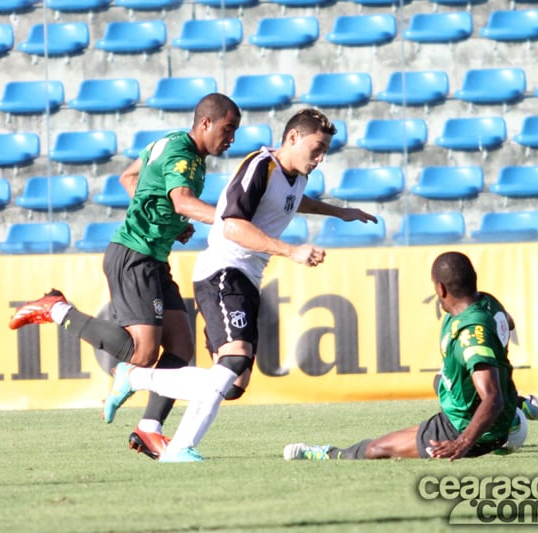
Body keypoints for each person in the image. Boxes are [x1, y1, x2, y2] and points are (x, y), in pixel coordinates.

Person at [102, 108, 378, 462]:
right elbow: (230, 225)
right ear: (293, 138)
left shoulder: (297, 177)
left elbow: (290, 202)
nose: (320, 158)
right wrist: (291, 251)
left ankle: (137, 382)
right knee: (233, 362)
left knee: (232, 384)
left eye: (324, 151)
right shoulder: (260, 166)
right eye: (316, 148)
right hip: (223, 271)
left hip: (246, 277)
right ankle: (176, 440)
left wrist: (338, 211)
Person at [9, 93, 242, 459]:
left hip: (154, 258)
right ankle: (56, 309)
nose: (231, 139)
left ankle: (150, 429)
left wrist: (167, 221)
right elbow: (182, 200)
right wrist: (228, 222)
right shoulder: (182, 155)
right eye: (228, 129)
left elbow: (129, 176)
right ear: (206, 123)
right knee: (142, 351)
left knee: (180, 347)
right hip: (135, 256)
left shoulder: (170, 143)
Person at [283, 251, 520, 461]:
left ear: (441, 288)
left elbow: (492, 398)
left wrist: (463, 442)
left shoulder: (470, 335)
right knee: (440, 381)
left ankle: (328, 453)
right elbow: (506, 323)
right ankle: (517, 409)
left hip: (462, 429)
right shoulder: (488, 302)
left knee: (377, 448)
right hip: (466, 413)